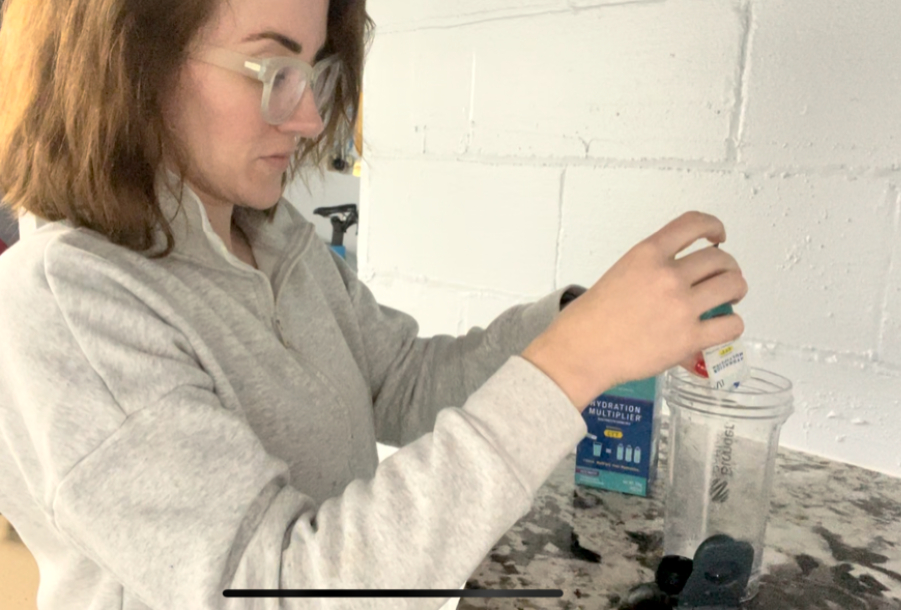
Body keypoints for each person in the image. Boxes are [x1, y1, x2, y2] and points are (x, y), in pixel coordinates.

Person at [0, 0, 747, 608]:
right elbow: (275, 590)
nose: (310, 121)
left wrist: (580, 321)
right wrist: (572, 363)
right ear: (133, 61)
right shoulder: (67, 298)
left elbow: (400, 382)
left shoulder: (272, 237)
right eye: (273, 68)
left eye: (315, 73)